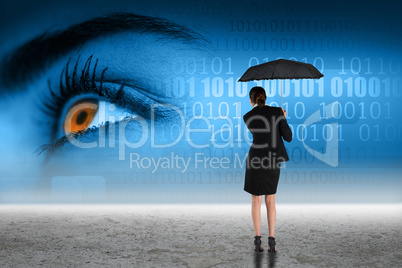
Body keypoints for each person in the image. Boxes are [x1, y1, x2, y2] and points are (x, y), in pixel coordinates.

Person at [243, 86, 292, 253]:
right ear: (265, 97)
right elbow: (288, 137)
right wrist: (283, 118)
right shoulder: (277, 112)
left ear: (251, 101)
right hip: (272, 160)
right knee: (270, 201)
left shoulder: (247, 117)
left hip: (255, 159)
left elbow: (261, 133)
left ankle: (258, 241)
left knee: (255, 200)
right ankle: (272, 241)